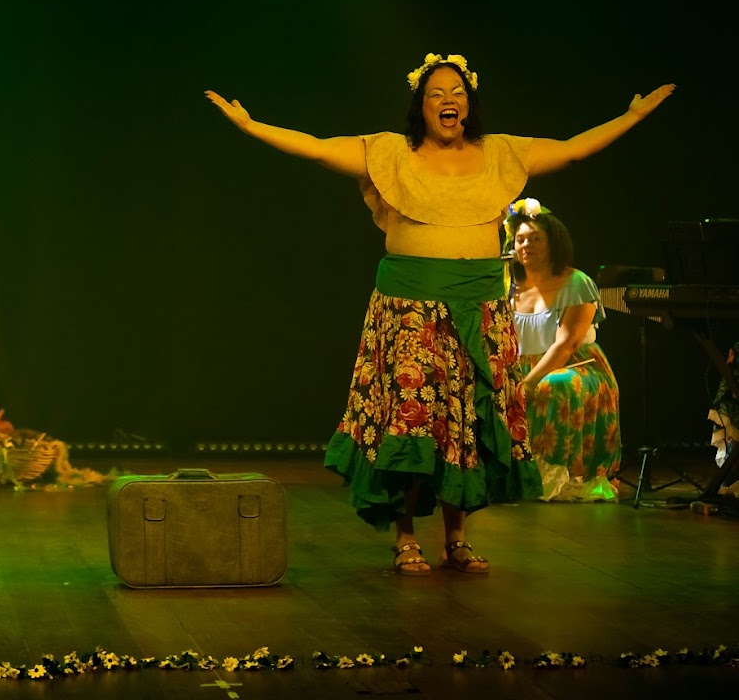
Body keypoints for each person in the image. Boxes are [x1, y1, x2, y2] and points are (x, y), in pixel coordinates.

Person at [205, 53, 674, 575]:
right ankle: (406, 537)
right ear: (421, 106)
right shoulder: (391, 152)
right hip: (410, 308)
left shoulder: (500, 153)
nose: (449, 101)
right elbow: (316, 149)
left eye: (458, 93)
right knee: (413, 421)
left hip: (480, 306)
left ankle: (457, 538)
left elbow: (570, 152)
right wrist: (250, 126)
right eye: (437, 94)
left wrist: (630, 117)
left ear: (468, 105)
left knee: (465, 424)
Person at [505, 199, 621, 501]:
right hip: (521, 365)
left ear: (553, 243)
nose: (526, 245)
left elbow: (567, 344)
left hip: (573, 366)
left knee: (552, 386)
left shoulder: (577, 283)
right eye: (520, 239)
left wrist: (529, 382)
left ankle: (553, 477)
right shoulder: (508, 285)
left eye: (536, 239)